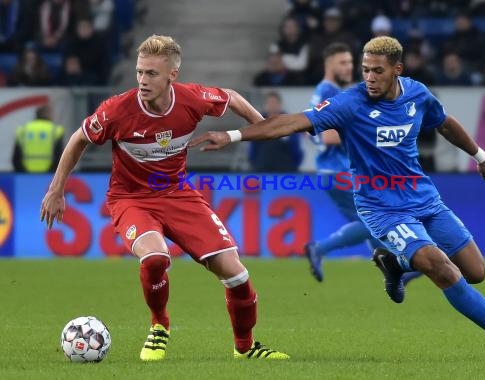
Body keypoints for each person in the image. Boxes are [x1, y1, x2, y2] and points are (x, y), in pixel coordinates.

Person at [189, 36, 485, 361]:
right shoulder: (349, 104)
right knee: (442, 269)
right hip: (381, 207)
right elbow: (292, 123)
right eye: (365, 70)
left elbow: (444, 122)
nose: (369, 77)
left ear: (397, 70)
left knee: (476, 272)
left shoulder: (416, 95)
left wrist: (481, 157)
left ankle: (395, 264)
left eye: (377, 70)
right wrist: (234, 134)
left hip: (424, 197)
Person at [40, 35, 289, 362]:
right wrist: (56, 189)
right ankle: (160, 324)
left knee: (237, 275)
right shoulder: (117, 110)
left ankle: (245, 348)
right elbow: (78, 139)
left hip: (178, 194)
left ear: (172, 75)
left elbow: (231, 97)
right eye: (140, 72)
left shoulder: (191, 99)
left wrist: (262, 125)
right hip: (131, 198)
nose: (143, 80)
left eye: (151, 74)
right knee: (156, 258)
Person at [305, 41, 421, 285]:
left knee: (370, 221)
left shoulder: (324, 91)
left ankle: (393, 269)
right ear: (329, 64)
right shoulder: (329, 92)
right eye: (343, 63)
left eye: (350, 63)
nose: (349, 68)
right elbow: (328, 135)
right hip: (340, 171)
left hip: (331, 171)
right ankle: (320, 248)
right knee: (376, 219)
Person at [248, 91, 303, 172]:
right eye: (269, 103)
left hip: (286, 170)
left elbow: (296, 149)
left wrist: (293, 166)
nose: (272, 105)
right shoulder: (257, 124)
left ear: (280, 104)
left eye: (274, 103)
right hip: (262, 170)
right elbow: (253, 149)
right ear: (265, 105)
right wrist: (256, 165)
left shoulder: (290, 123)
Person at [12, 104, 64, 173]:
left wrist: (23, 173)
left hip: (25, 176)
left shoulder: (23, 130)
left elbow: (16, 158)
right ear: (48, 113)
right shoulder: (56, 130)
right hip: (49, 176)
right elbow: (60, 157)